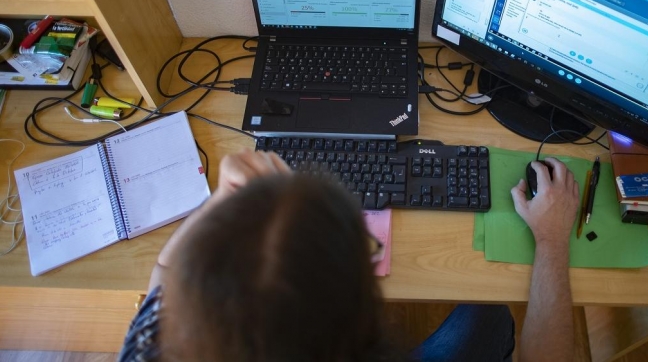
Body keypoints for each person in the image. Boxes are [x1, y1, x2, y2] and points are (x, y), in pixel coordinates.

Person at [119, 150, 578, 362]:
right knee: (488, 316)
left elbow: (165, 272)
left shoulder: (155, 350)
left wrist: (230, 199)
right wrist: (553, 239)